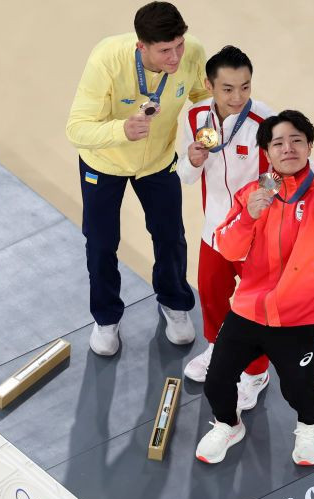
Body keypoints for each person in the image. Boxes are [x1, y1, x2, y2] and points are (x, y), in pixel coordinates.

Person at [194, 110, 314, 466]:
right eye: (278, 143)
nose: (288, 148)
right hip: (248, 311)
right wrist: (249, 216)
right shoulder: (253, 193)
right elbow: (228, 246)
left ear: (310, 146)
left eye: (296, 140)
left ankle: (310, 426)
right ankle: (228, 425)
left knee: (299, 388)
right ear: (266, 152)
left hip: (299, 316)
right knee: (217, 381)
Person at [66, 2, 210, 356]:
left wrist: (204, 135)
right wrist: (121, 130)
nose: (176, 57)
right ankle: (106, 318)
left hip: (158, 161)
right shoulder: (106, 60)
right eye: (165, 51)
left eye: (179, 45)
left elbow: (204, 97)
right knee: (101, 243)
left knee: (171, 236)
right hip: (104, 163)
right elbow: (76, 128)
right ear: (141, 46)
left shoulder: (192, 53)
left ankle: (175, 304)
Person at [175, 45, 274, 413]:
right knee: (213, 296)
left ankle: (255, 371)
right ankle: (218, 348)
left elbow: (283, 177)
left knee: (253, 309)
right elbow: (186, 176)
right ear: (209, 86)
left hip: (256, 236)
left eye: (245, 87)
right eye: (228, 89)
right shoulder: (196, 117)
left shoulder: (267, 123)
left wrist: (260, 199)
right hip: (215, 228)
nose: (237, 97)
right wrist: (193, 160)